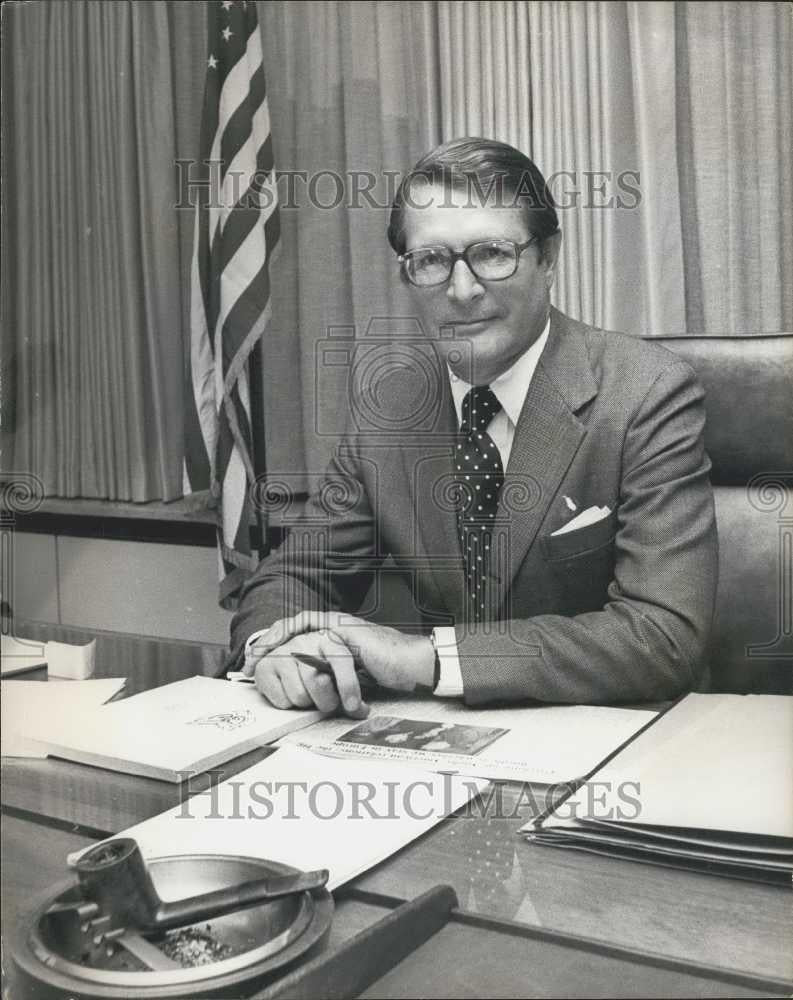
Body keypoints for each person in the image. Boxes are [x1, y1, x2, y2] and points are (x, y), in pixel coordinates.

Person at [228, 137, 718, 717]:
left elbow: (661, 637)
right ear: (409, 275)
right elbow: (291, 578)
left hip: (620, 747)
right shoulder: (391, 411)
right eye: (432, 261)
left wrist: (425, 659)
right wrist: (278, 647)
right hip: (454, 759)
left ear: (549, 258)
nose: (462, 291)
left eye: (491, 253)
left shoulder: (647, 392)